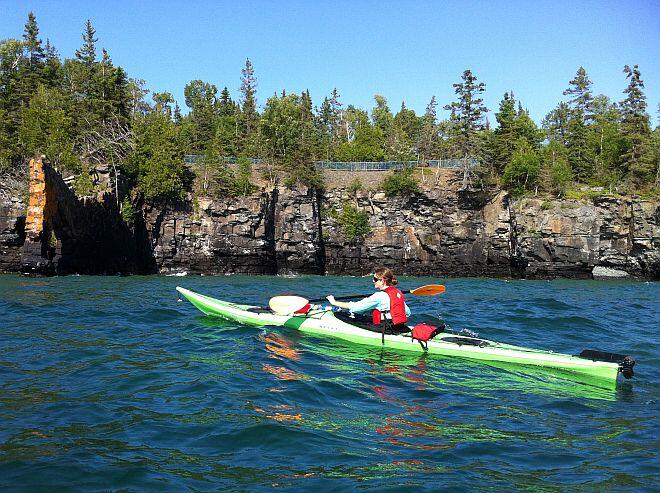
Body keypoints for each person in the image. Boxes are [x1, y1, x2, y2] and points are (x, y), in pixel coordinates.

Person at [326, 267, 411, 334]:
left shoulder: (379, 296)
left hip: (385, 328)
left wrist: (334, 302)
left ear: (383, 280)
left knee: (340, 315)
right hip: (398, 326)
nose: (373, 281)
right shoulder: (398, 293)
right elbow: (407, 312)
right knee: (366, 318)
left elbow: (356, 308)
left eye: (375, 279)